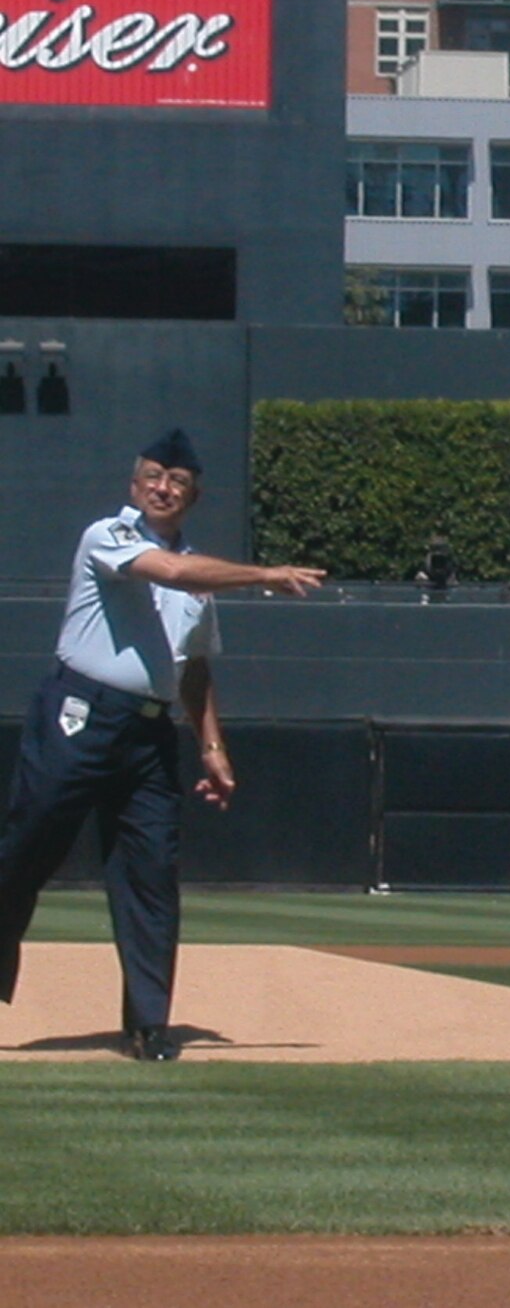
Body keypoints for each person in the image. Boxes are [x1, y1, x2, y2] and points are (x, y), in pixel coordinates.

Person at [0, 430, 325, 1061]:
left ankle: (148, 1025)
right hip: (79, 714)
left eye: (176, 481)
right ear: (134, 485)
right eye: (152, 476)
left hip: (148, 733)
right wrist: (264, 574)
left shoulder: (202, 578)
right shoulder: (109, 536)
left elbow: (194, 667)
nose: (162, 488)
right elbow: (168, 572)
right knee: (27, 847)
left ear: (193, 496)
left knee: (150, 872)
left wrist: (213, 748)